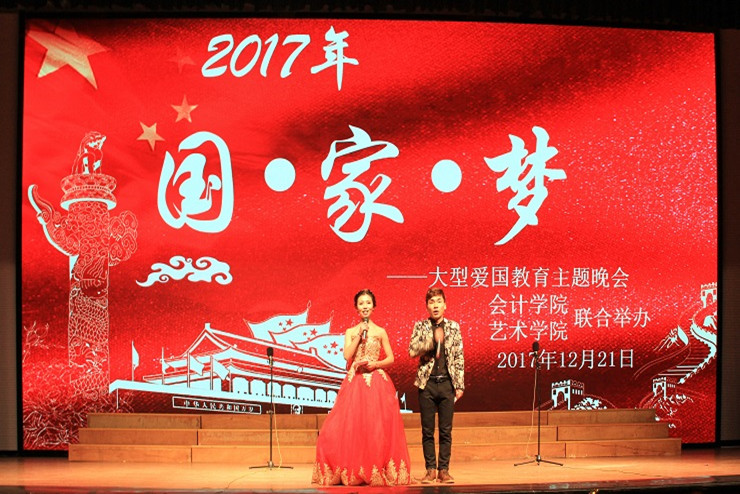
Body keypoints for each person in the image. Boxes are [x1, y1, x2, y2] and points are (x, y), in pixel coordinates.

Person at [312, 289, 411, 486]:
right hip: (355, 382)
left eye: (368, 303)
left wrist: (376, 364)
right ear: (356, 308)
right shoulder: (351, 332)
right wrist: (359, 336)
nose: (365, 306)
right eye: (361, 303)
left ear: (373, 307)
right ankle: (354, 467)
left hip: (376, 383)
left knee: (376, 427)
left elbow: (391, 358)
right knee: (352, 426)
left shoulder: (380, 331)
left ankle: (375, 466)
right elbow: (347, 356)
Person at [408, 287, 464, 484]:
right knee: (427, 430)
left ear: (445, 305)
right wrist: (432, 341)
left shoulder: (454, 327)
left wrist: (459, 385)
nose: (435, 306)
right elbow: (412, 350)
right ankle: (430, 469)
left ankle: (444, 470)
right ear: (427, 306)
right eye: (432, 302)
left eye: (439, 301)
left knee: (446, 430)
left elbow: (459, 356)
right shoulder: (420, 326)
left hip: (447, 383)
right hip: (427, 384)